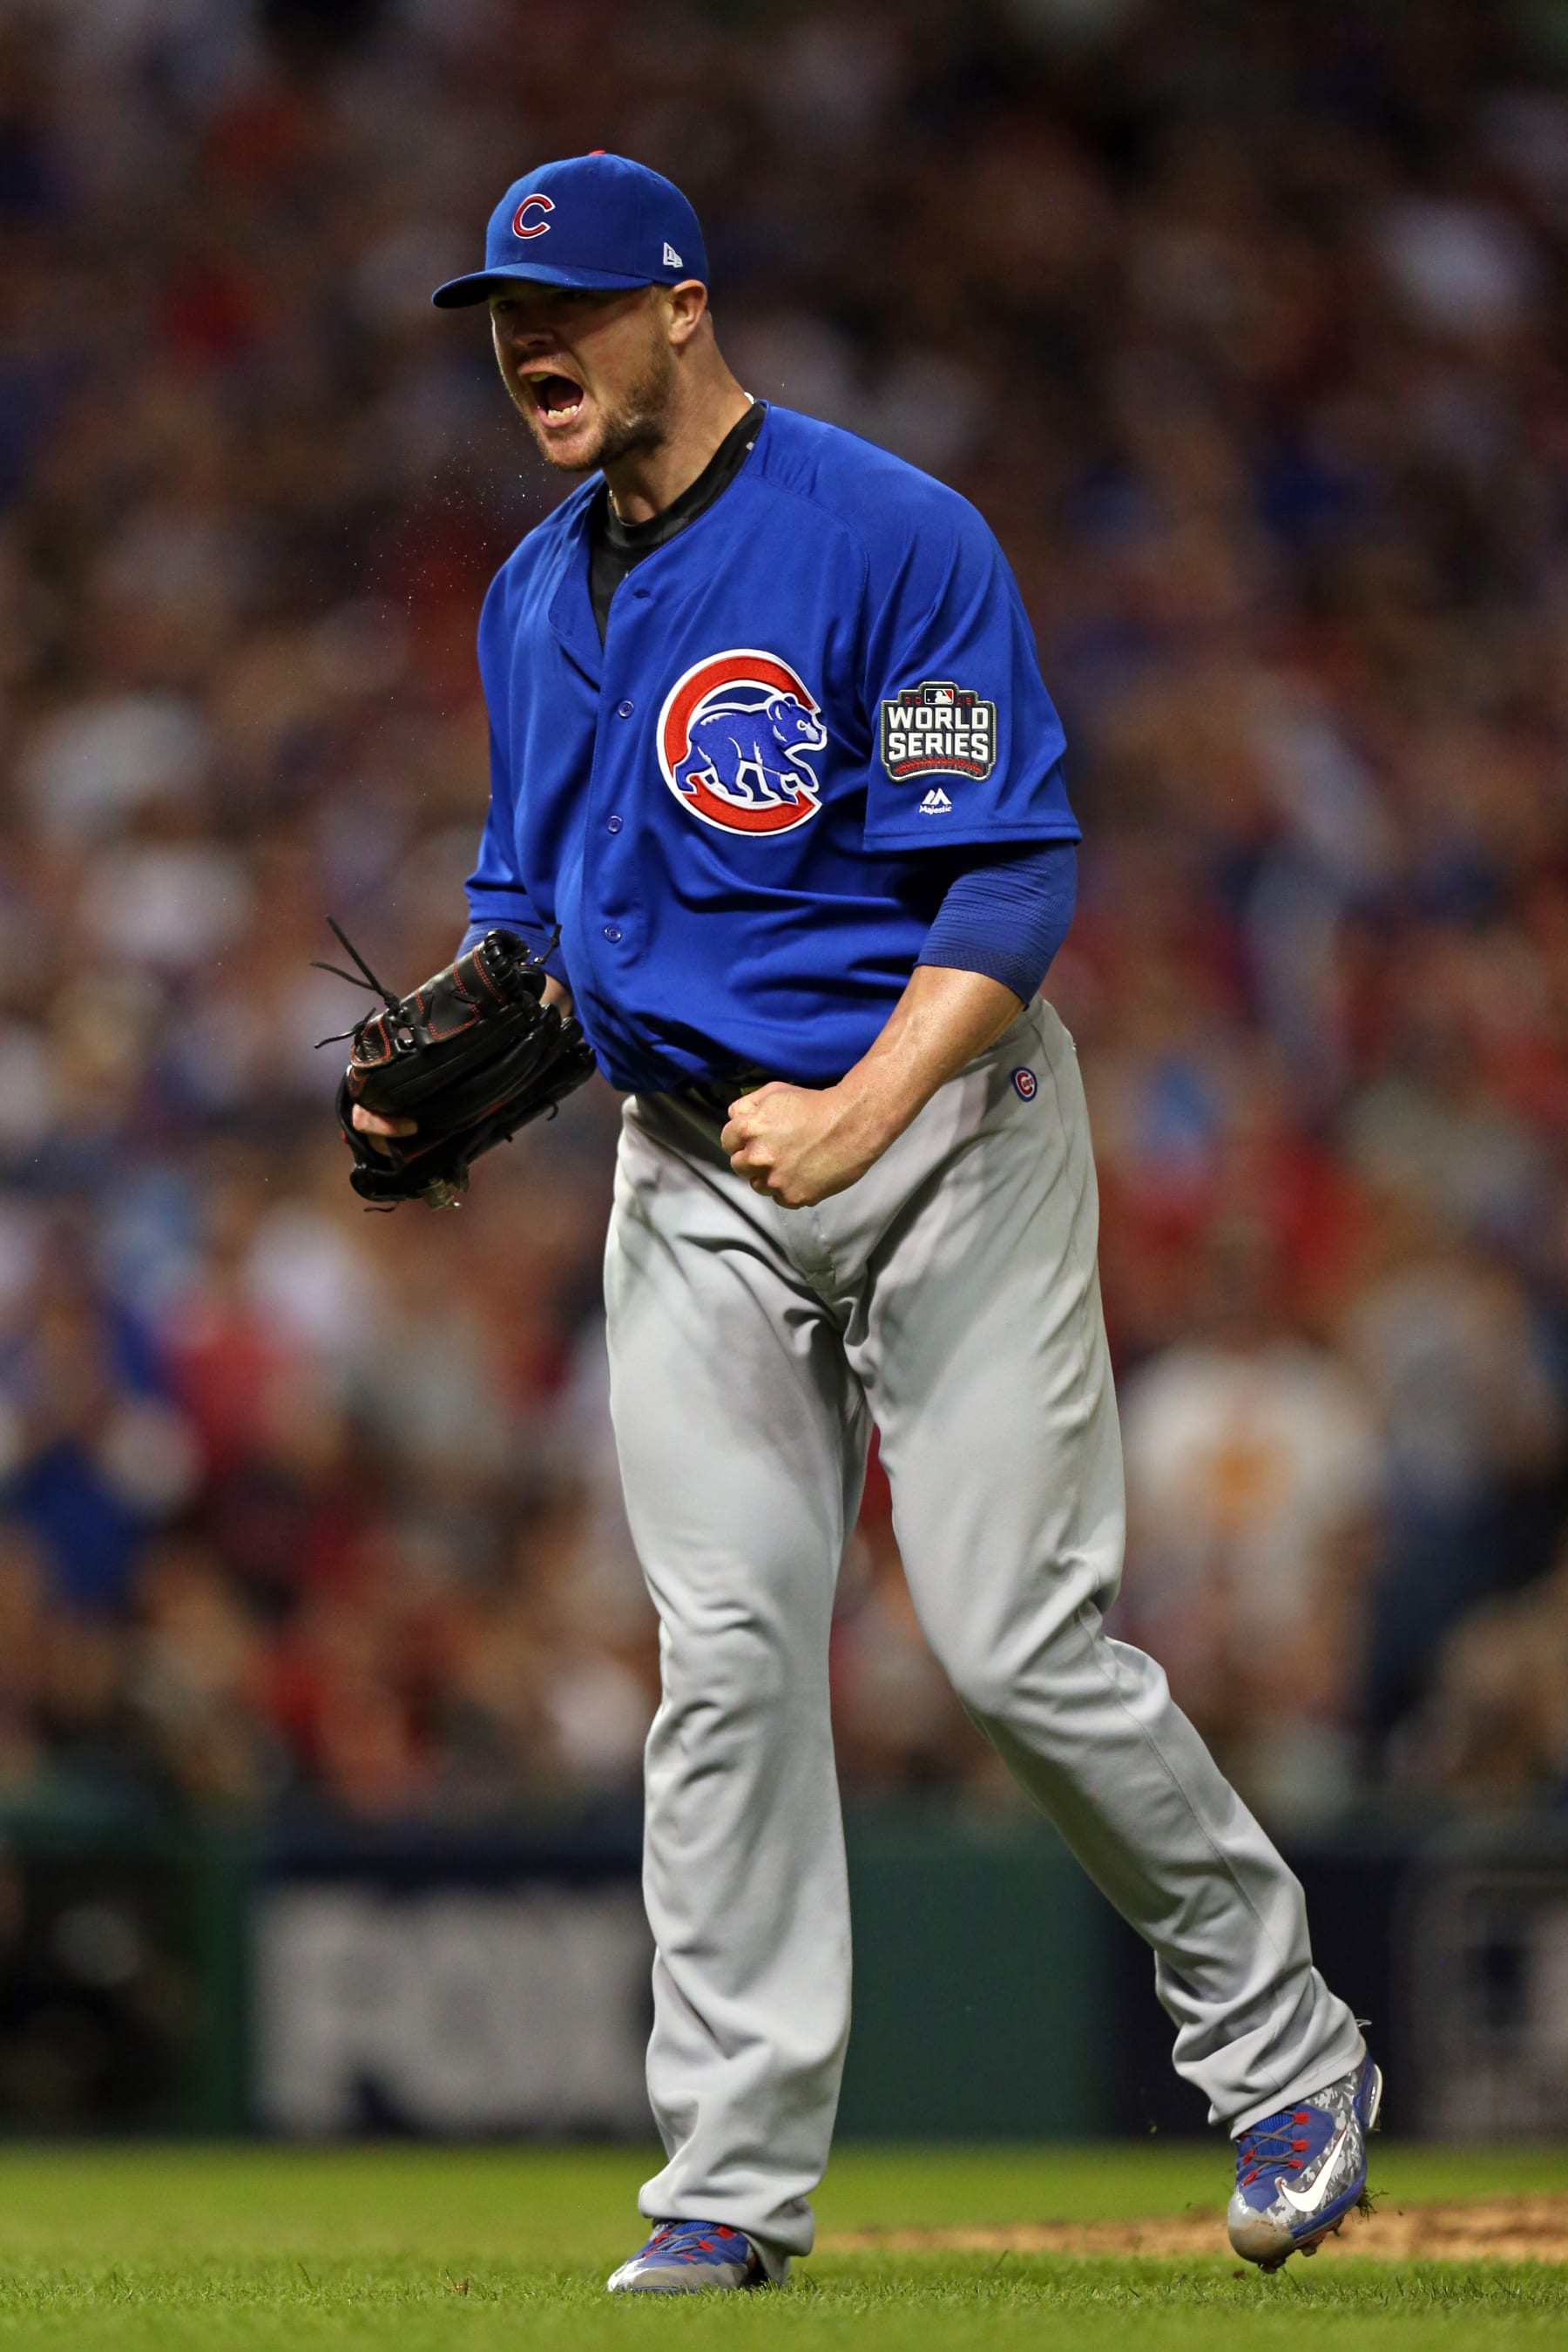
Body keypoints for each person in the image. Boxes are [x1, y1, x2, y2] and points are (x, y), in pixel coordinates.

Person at [356, 152, 1381, 2292]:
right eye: (498, 315)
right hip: (698, 1185)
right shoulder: (533, 595)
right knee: (725, 1663)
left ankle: (1286, 2048)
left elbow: (1004, 881)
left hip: (950, 1134)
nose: (526, 342)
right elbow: (528, 909)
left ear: (684, 310)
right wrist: (454, 1065)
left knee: (1015, 1644)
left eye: (566, 303)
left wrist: (870, 1098)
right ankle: (728, 2181)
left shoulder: (889, 537)